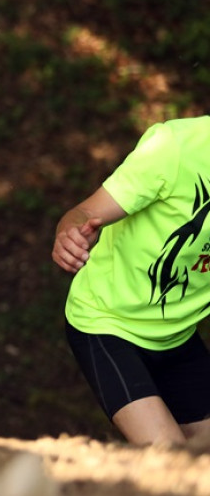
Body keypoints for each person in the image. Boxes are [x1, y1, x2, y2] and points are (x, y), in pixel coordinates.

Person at [52, 115, 210, 446]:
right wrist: (70, 235)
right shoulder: (176, 147)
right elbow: (83, 214)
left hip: (178, 336)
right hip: (106, 325)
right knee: (173, 458)